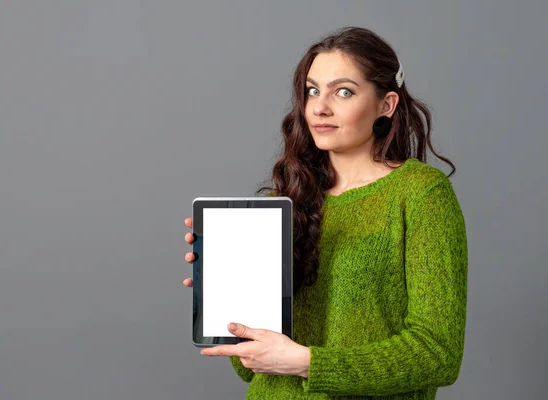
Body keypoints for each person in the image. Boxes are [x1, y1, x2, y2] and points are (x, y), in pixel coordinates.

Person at [182, 26, 468, 400]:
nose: (320, 106)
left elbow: (438, 354)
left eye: (344, 91)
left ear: (387, 104)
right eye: (312, 91)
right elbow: (249, 368)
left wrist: (307, 363)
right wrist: (226, 290)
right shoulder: (287, 199)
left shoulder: (420, 193)